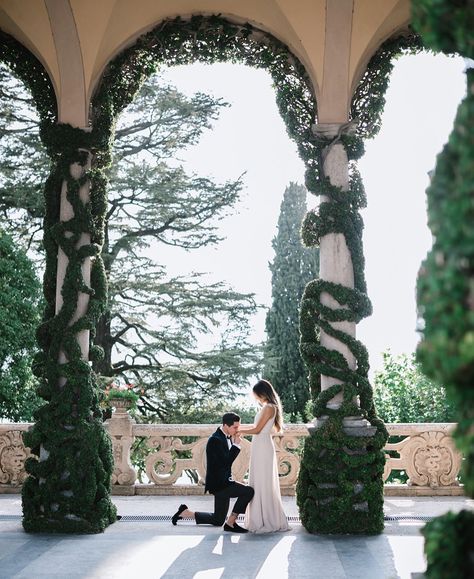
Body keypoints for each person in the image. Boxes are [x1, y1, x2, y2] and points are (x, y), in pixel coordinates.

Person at [171, 412, 254, 533]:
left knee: (218, 520)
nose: (237, 430)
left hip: (223, 482)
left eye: (238, 427)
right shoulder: (215, 440)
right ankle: (231, 522)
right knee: (248, 491)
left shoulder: (225, 436)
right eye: (235, 427)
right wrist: (236, 445)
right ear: (226, 425)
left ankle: (186, 513)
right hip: (220, 484)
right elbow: (226, 462)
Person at [238, 379, 290, 533]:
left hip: (263, 446)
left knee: (262, 482)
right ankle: (260, 516)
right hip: (260, 445)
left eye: (256, 395)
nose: (256, 399)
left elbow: (257, 429)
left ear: (262, 393)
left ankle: (265, 518)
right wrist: (240, 428)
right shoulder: (269, 407)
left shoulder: (269, 407)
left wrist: (239, 430)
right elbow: (256, 428)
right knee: (259, 481)